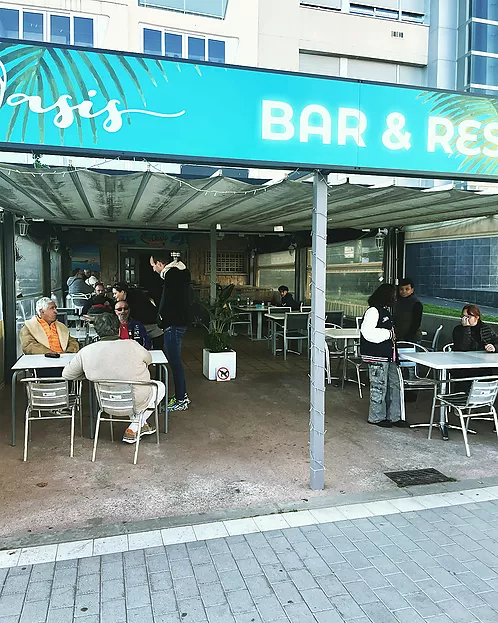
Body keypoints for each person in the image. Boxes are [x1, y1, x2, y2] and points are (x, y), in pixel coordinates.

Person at [62, 313, 164, 443]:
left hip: (106, 404)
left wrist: (88, 373)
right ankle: (135, 426)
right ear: (119, 327)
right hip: (134, 402)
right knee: (159, 386)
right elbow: (148, 360)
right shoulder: (133, 345)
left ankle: (139, 425)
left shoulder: (87, 351)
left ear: (97, 330)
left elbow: (67, 374)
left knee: (129, 389)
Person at [360, 284, 408, 428]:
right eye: (394, 294)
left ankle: (394, 416)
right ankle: (376, 416)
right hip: (378, 356)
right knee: (379, 387)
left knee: (394, 385)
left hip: (389, 355)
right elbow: (367, 332)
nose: (396, 297)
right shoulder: (373, 311)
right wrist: (388, 334)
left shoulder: (384, 311)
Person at [150, 252, 191, 411]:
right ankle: (181, 396)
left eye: (153, 266)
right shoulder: (179, 276)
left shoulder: (171, 278)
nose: (154, 270)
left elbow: (168, 303)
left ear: (160, 264)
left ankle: (181, 399)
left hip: (173, 325)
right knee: (175, 363)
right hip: (177, 323)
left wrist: (163, 320)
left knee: (175, 363)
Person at [452, 304, 498, 390]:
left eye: (468, 316)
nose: (465, 319)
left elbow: (496, 340)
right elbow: (462, 348)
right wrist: (466, 329)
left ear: (477, 317)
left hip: (483, 365)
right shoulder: (458, 330)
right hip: (463, 366)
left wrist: (494, 347)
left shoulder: (486, 328)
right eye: (463, 316)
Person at [112, 282, 163, 349]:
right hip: (148, 324)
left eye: (115, 293)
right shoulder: (131, 296)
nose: (114, 296)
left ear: (122, 292)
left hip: (151, 325)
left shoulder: (135, 298)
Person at [394, 278, 423, 343]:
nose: (404, 291)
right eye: (401, 289)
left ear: (412, 290)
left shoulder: (416, 303)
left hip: (412, 339)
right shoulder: (397, 301)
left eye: (407, 289)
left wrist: (408, 337)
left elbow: (416, 323)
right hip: (399, 337)